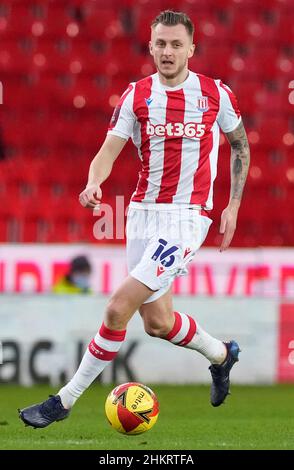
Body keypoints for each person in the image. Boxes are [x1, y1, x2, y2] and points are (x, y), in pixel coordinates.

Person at [19, 10, 250, 428]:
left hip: (186, 220)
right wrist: (93, 183)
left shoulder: (216, 95)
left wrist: (232, 206)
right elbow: (108, 151)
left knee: (116, 309)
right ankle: (221, 354)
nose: (167, 51)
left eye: (176, 44)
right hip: (142, 217)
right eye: (161, 43)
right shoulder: (136, 96)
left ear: (191, 49)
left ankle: (63, 402)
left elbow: (239, 146)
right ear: (150, 46)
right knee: (158, 322)